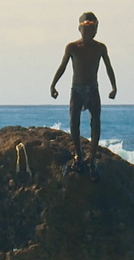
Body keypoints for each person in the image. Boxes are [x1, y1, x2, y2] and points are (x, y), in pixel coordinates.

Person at [50, 12, 118, 180]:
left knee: (95, 122)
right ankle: (79, 156)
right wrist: (53, 84)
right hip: (77, 89)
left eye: (93, 29)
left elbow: (108, 67)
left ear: (96, 30)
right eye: (86, 29)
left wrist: (114, 87)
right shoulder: (72, 47)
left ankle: (92, 159)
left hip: (93, 89)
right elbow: (63, 67)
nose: (89, 32)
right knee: (74, 121)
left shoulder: (100, 48)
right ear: (79, 29)